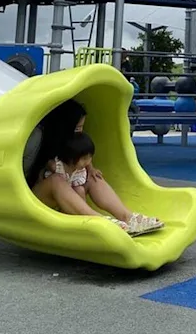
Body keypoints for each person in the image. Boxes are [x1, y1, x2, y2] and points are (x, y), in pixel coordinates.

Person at [28, 100, 164, 236]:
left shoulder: (73, 143)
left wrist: (91, 170)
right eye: (77, 128)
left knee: (93, 177)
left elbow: (82, 161)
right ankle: (98, 221)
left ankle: (127, 217)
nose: (80, 131)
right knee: (56, 180)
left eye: (81, 127)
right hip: (39, 198)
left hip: (67, 193)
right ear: (65, 125)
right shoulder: (43, 143)